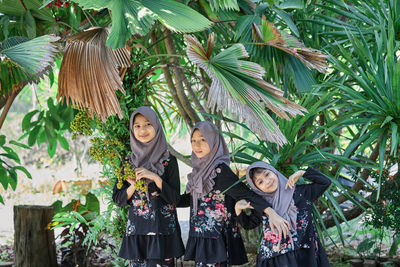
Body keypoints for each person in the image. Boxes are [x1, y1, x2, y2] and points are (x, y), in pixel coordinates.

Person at [179, 121, 290, 267]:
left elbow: (247, 195)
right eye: (193, 140)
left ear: (214, 142)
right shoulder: (198, 172)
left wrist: (271, 213)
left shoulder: (220, 171)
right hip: (203, 238)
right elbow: (190, 200)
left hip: (217, 240)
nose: (197, 145)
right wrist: (159, 187)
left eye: (203, 139)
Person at [112, 106, 184, 267]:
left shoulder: (169, 160)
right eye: (137, 126)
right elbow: (118, 199)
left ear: (156, 126)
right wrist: (132, 187)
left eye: (147, 124)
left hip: (163, 233)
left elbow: (175, 199)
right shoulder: (128, 162)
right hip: (137, 234)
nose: (142, 130)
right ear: (132, 130)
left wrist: (155, 178)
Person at [235, 161, 331, 267]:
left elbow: (325, 182)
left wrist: (302, 173)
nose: (267, 181)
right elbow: (249, 224)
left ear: (274, 172)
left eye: (267, 174)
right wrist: (238, 210)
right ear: (257, 188)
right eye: (260, 182)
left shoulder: (302, 193)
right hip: (275, 259)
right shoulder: (262, 205)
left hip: (304, 254)